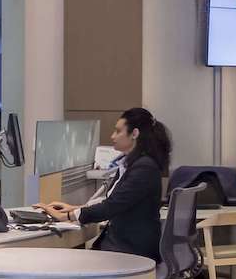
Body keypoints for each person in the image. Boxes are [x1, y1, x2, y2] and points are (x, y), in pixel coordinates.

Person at [46, 108, 171, 255]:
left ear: (135, 134)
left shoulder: (144, 168)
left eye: (118, 131)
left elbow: (111, 207)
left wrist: (67, 216)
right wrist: (75, 208)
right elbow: (113, 200)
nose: (113, 136)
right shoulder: (132, 163)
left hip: (131, 250)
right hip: (123, 245)